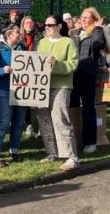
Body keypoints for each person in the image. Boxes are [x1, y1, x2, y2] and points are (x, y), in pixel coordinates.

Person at [36, 16, 80, 170]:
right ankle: (52, 153)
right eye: (44, 25)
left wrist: (57, 64)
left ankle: (71, 157)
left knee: (60, 118)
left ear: (59, 26)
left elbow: (73, 64)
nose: (46, 28)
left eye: (50, 25)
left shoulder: (69, 42)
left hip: (61, 85)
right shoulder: (41, 43)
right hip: (41, 86)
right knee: (44, 118)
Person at [0, 24, 28, 166]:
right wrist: (2, 70)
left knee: (18, 122)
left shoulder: (22, 48)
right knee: (3, 121)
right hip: (4, 89)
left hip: (22, 89)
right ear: (9, 35)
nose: (20, 34)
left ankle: (14, 150)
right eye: (17, 32)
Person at [70, 7, 106, 154]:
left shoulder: (97, 33)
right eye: (82, 17)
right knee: (72, 107)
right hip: (72, 74)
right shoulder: (75, 33)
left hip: (87, 75)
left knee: (88, 109)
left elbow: (98, 45)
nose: (83, 19)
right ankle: (73, 140)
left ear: (94, 19)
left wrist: (97, 28)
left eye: (87, 17)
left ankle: (90, 142)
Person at [19, 15, 41, 137]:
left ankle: (42, 126)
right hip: (23, 72)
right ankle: (28, 124)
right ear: (23, 24)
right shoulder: (19, 37)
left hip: (37, 71)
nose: (29, 24)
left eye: (31, 22)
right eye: (27, 22)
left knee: (39, 99)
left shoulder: (40, 37)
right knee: (25, 99)